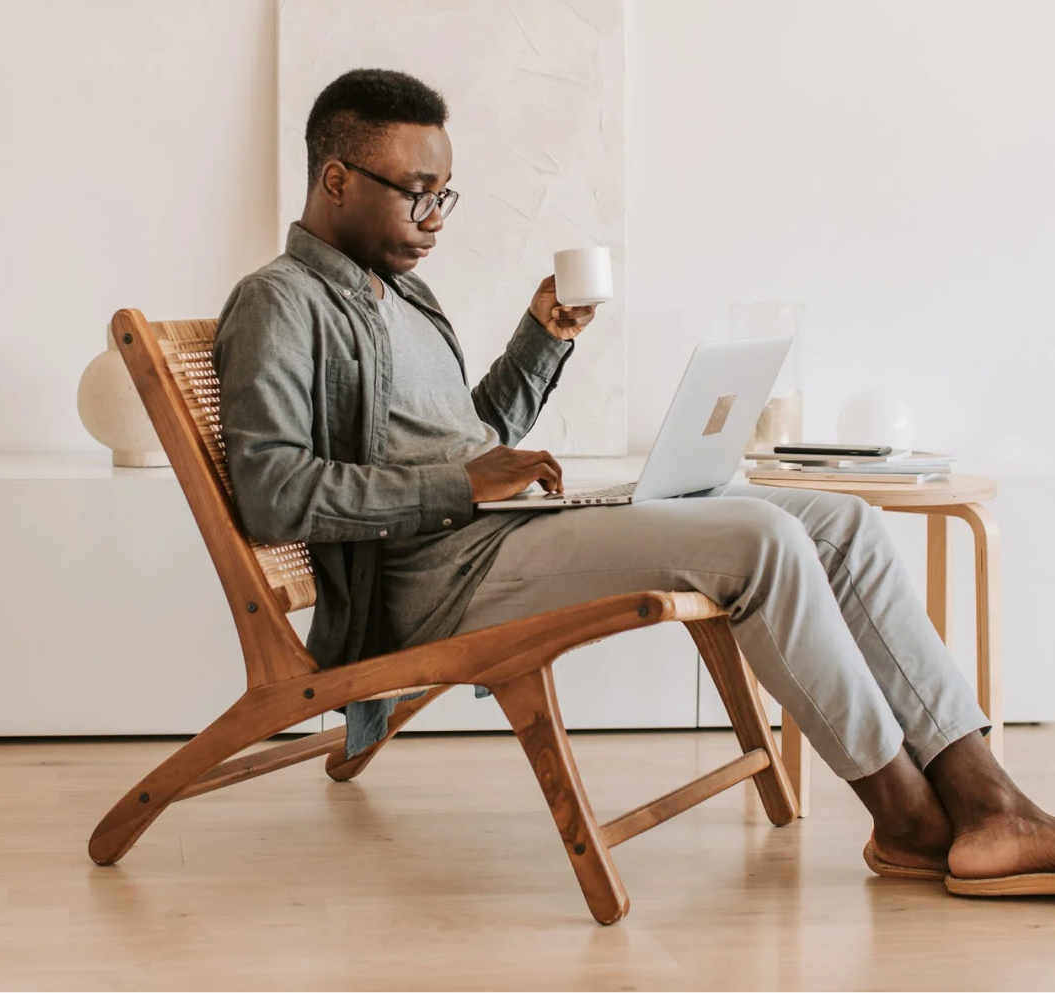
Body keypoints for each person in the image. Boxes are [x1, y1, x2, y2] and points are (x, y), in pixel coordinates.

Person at [213, 68, 1055, 896]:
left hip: (499, 533)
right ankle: (908, 818)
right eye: (418, 192)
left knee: (842, 523)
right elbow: (274, 491)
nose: (436, 218)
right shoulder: (278, 303)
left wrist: (541, 339)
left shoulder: (403, 293)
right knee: (761, 542)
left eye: (445, 195)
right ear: (336, 178)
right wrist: (465, 485)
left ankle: (989, 800)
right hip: (434, 575)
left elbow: (469, 437)